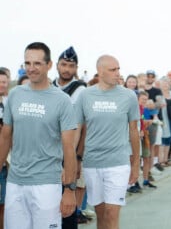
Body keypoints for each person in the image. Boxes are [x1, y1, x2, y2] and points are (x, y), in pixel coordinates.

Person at [0, 42, 77, 229]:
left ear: (49, 65)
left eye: (37, 64)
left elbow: (69, 148)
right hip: (15, 182)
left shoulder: (62, 100)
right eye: (27, 63)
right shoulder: (15, 94)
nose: (31, 69)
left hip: (47, 185)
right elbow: (5, 137)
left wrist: (69, 189)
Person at [75, 55, 140, 229]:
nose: (118, 73)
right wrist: (73, 160)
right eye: (113, 70)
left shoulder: (128, 96)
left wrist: (135, 163)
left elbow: (134, 131)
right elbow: (78, 130)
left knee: (112, 214)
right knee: (101, 214)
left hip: (118, 163)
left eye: (118, 69)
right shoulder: (85, 95)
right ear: (100, 71)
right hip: (92, 163)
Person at [53, 46, 92, 226]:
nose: (67, 69)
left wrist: (77, 157)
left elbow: (83, 127)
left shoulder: (81, 90)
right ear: (57, 65)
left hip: (69, 153)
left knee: (67, 208)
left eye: (71, 65)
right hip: (48, 154)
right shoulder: (49, 87)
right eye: (64, 64)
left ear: (76, 68)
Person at [0, 69, 10, 229]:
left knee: (3, 205)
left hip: (6, 162)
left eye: (4, 81)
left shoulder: (9, 102)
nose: (1, 85)